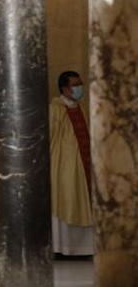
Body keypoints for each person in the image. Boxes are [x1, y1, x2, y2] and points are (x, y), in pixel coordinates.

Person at [50, 70, 94, 258]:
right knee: (68, 198)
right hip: (64, 166)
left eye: (80, 84)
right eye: (75, 85)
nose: (79, 88)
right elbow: (51, 137)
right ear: (65, 88)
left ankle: (85, 248)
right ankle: (64, 248)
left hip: (85, 164)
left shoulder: (81, 107)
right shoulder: (56, 108)